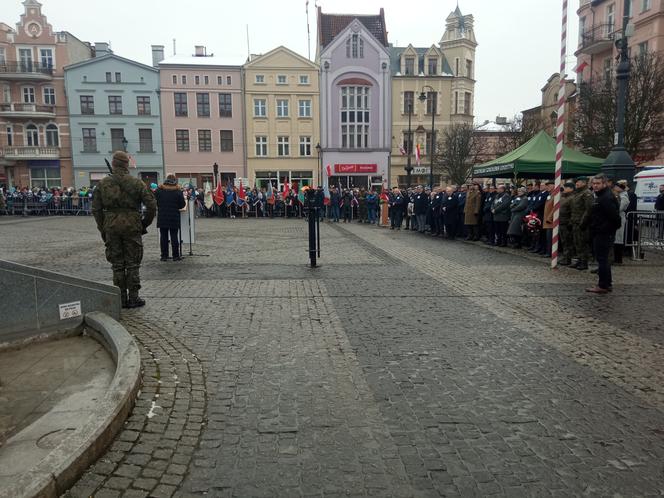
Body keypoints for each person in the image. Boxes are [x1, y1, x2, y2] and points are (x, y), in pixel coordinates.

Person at [92, 151, 156, 308]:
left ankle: (120, 298)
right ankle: (134, 297)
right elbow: (152, 205)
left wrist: (103, 227)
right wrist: (143, 224)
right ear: (127, 164)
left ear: (114, 164)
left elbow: (96, 209)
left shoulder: (103, 184)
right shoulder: (136, 183)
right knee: (133, 263)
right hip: (132, 225)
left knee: (117, 264)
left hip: (111, 225)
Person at [585, 173, 620, 294]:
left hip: (603, 233)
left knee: (602, 260)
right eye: (594, 183)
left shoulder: (606, 197)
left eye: (598, 183)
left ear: (604, 184)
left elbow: (615, 217)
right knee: (603, 259)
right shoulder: (601, 196)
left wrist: (604, 229)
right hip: (601, 231)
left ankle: (603, 285)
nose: (595, 186)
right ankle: (607, 283)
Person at [155, 174, 186, 262]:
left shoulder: (159, 190)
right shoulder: (178, 191)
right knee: (174, 236)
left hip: (162, 216)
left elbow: (155, 201)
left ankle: (164, 256)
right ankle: (175, 256)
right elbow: (182, 205)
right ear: (175, 181)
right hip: (174, 217)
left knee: (163, 237)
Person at [570, 177, 593, 270]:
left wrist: (583, 222)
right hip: (575, 221)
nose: (577, 184)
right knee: (577, 242)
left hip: (582, 223)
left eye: (578, 182)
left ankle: (584, 262)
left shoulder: (587, 193)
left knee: (582, 243)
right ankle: (579, 260)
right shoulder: (578, 193)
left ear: (584, 183)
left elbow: (589, 209)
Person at [558, 182, 576, 265]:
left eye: (566, 187)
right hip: (561, 221)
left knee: (568, 241)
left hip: (567, 222)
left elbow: (573, 211)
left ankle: (568, 258)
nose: (564, 189)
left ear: (571, 188)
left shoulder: (572, 198)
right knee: (564, 241)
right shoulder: (564, 197)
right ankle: (565, 257)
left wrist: (570, 223)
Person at [613, 181, 630, 264]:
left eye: (616, 187)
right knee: (615, 238)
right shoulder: (618, 196)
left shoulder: (624, 197)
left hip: (620, 218)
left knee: (618, 238)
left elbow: (619, 208)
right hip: (616, 218)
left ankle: (618, 259)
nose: (615, 188)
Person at [539, 181, 555, 257]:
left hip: (551, 221)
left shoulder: (555, 195)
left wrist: (549, 218)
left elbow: (555, 208)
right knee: (547, 237)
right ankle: (548, 251)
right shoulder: (550, 195)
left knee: (550, 238)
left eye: (549, 185)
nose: (547, 187)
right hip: (546, 220)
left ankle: (550, 252)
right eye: (547, 186)